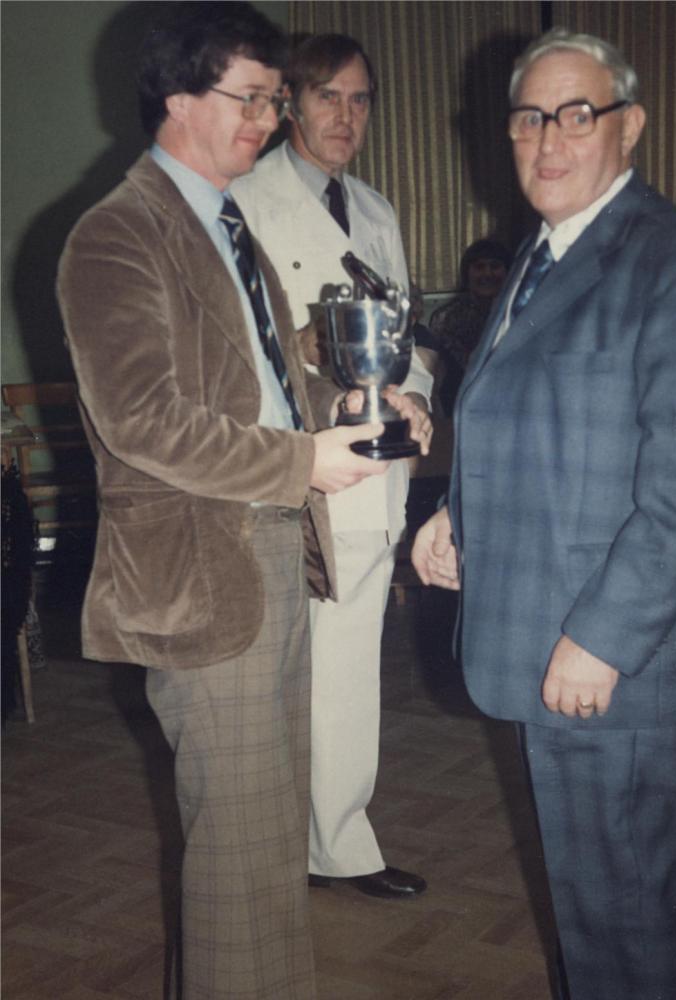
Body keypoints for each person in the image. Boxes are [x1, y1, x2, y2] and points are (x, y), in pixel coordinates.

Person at [55, 5, 405, 997]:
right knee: (235, 852)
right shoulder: (118, 232)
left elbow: (252, 370)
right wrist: (300, 462)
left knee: (264, 843)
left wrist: (349, 394)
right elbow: (145, 421)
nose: (268, 119)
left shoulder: (223, 219)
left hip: (272, 549)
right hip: (204, 570)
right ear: (175, 99)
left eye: (271, 99)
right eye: (249, 98)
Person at [413, 27, 676, 1000]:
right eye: (528, 117)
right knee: (592, 899)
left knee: (626, 906)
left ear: (627, 125)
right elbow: (530, 419)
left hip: (618, 664)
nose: (547, 138)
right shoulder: (543, 254)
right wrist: (456, 519)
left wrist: (599, 639)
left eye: (576, 113)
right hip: (554, 638)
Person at [231, 33, 431, 899]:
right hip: (290, 473)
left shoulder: (377, 212)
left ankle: (338, 844)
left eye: (360, 100)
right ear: (288, 105)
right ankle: (275, 847)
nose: (345, 117)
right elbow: (233, 352)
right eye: (326, 98)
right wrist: (310, 358)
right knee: (275, 677)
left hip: (373, 470)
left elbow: (403, 334)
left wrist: (417, 392)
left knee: (349, 671)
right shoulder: (243, 201)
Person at [429, 237, 512, 414]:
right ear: (467, 274)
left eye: (495, 266)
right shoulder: (445, 317)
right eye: (479, 267)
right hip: (459, 407)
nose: (487, 274)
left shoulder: (518, 314)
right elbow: (437, 375)